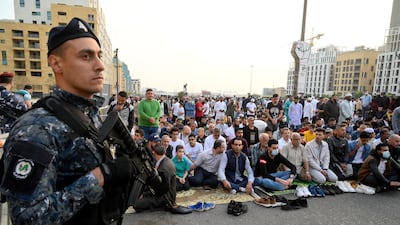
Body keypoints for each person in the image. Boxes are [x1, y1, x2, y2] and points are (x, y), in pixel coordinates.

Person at [0, 18, 135, 224]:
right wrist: (99, 176)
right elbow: (27, 217)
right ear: (56, 63)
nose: (99, 66)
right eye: (86, 56)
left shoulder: (90, 114)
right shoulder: (37, 128)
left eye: (99, 55)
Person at [134, 143, 191, 214]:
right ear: (165, 152)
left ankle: (162, 206)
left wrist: (146, 194)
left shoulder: (164, 168)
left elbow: (163, 189)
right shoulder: (164, 160)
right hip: (161, 191)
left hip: (166, 197)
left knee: (136, 204)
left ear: (154, 152)